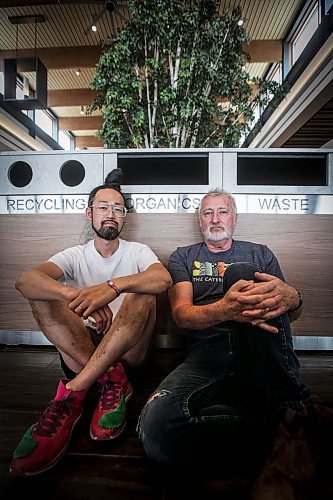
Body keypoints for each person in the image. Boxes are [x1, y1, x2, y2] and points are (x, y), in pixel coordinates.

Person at [137, 188, 326, 497]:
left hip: (259, 348)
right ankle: (286, 424)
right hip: (207, 355)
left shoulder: (259, 253)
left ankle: (292, 409)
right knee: (156, 432)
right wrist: (227, 309)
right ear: (199, 220)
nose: (215, 219)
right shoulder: (184, 256)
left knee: (239, 272)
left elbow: (287, 312)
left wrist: (295, 297)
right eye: (207, 213)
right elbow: (182, 314)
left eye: (222, 211)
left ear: (234, 218)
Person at [10, 168, 172, 477]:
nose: (111, 214)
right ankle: (113, 380)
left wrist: (111, 288)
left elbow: (162, 279)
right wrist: (78, 298)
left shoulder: (137, 251)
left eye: (117, 209)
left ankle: (72, 393)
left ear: (124, 217)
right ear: (89, 214)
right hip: (82, 346)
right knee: (42, 292)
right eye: (103, 207)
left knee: (144, 289)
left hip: (129, 348)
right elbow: (25, 280)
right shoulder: (74, 255)